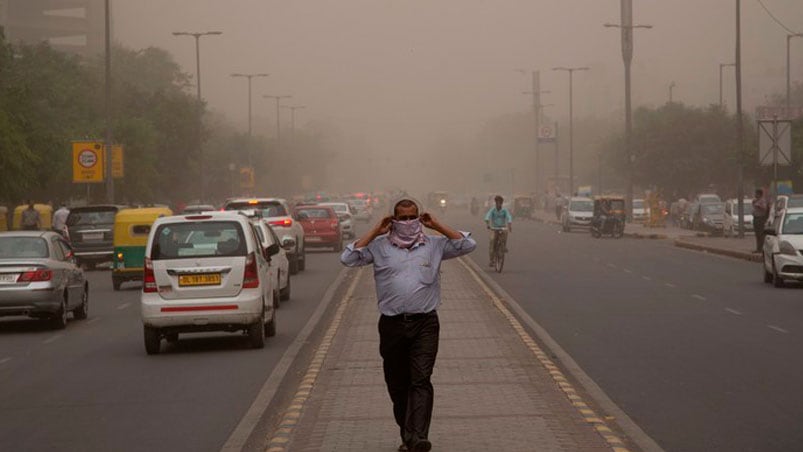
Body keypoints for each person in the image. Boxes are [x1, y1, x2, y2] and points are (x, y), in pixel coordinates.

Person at [340, 199, 476, 452]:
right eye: (401, 218)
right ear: (393, 220)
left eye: (412, 217)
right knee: (398, 383)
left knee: (421, 380)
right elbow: (348, 258)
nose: (407, 223)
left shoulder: (434, 246)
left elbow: (467, 244)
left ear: (419, 217)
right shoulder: (379, 247)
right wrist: (374, 231)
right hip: (392, 325)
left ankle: (418, 437)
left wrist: (436, 225)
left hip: (425, 324)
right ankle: (407, 433)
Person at [484, 195, 513, 267]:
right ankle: (491, 260)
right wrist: (488, 224)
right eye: (497, 202)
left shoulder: (504, 210)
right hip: (494, 228)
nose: (499, 204)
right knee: (492, 241)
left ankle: (503, 246)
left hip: (502, 227)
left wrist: (509, 225)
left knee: (505, 233)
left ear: (502, 203)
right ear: (496, 203)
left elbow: (509, 217)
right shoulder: (493, 210)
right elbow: (487, 216)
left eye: (500, 202)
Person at [752, 188, 769, 253]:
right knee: (757, 234)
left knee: (761, 234)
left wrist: (758, 206)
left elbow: (764, 208)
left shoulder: (762, 201)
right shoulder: (756, 200)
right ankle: (758, 248)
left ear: (759, 194)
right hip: (756, 218)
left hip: (760, 219)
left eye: (756, 194)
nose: (755, 195)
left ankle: (761, 249)